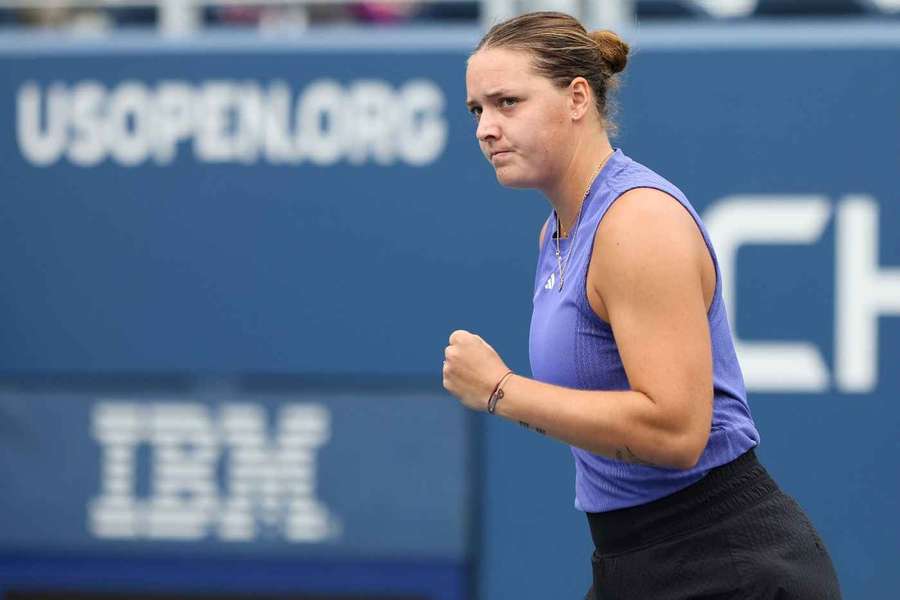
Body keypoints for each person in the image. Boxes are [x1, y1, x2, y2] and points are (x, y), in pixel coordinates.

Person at [441, 11, 842, 600]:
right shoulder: (557, 230)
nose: (486, 128)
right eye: (478, 110)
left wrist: (501, 390)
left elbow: (678, 433)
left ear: (578, 98)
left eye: (507, 102)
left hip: (728, 566)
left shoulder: (638, 223)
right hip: (634, 559)